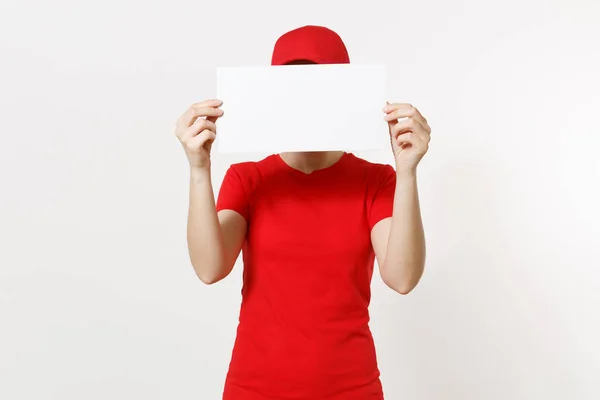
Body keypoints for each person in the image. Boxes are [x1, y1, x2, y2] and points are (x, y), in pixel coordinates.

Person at [175, 25, 431, 400]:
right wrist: (198, 169)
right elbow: (210, 268)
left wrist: (407, 170)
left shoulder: (375, 180)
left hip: (350, 389)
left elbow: (403, 278)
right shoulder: (248, 178)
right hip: (254, 388)